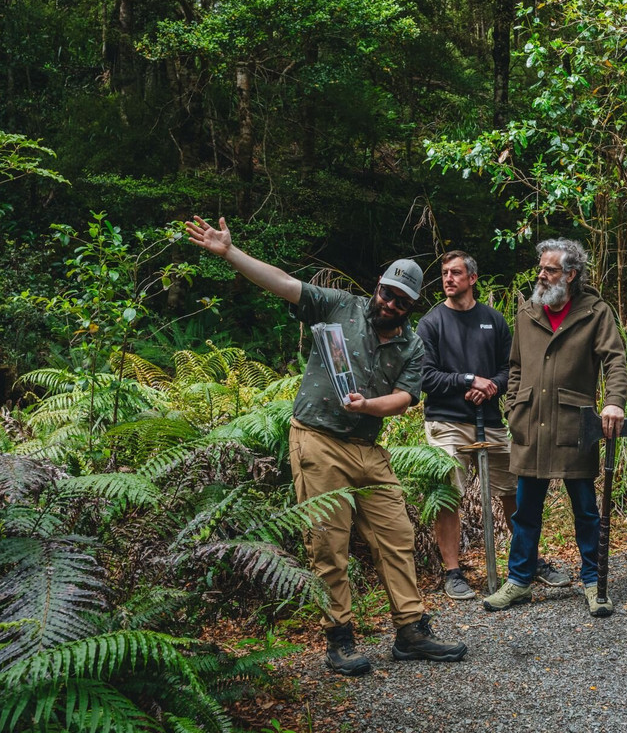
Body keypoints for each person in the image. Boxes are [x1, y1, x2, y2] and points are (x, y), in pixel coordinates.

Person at [184, 216, 466, 676]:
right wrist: (230, 253)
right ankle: (340, 637)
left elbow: (406, 397)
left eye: (400, 300)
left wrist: (369, 405)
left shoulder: (411, 346)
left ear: (411, 305)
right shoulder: (341, 307)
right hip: (317, 439)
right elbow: (284, 284)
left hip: (368, 448)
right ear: (378, 286)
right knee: (328, 542)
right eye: (386, 292)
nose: (389, 302)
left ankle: (411, 630)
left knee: (397, 535)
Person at [482, 238, 627, 618]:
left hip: (574, 425)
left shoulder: (596, 312)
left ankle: (594, 582)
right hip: (530, 424)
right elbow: (515, 367)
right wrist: (513, 408)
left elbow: (614, 360)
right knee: (526, 510)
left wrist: (614, 401)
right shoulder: (528, 311)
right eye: (541, 269)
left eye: (550, 270)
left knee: (585, 511)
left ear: (571, 274)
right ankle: (519, 581)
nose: (542, 275)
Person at [416, 251, 571, 599]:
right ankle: (453, 572)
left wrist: (492, 386)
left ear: (472, 278)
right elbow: (425, 376)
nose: (448, 278)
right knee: (447, 496)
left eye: (456, 273)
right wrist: (468, 380)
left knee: (515, 490)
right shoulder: (431, 323)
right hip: (447, 422)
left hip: (492, 421)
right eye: (444, 273)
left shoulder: (493, 319)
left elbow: (510, 368)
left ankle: (527, 561)